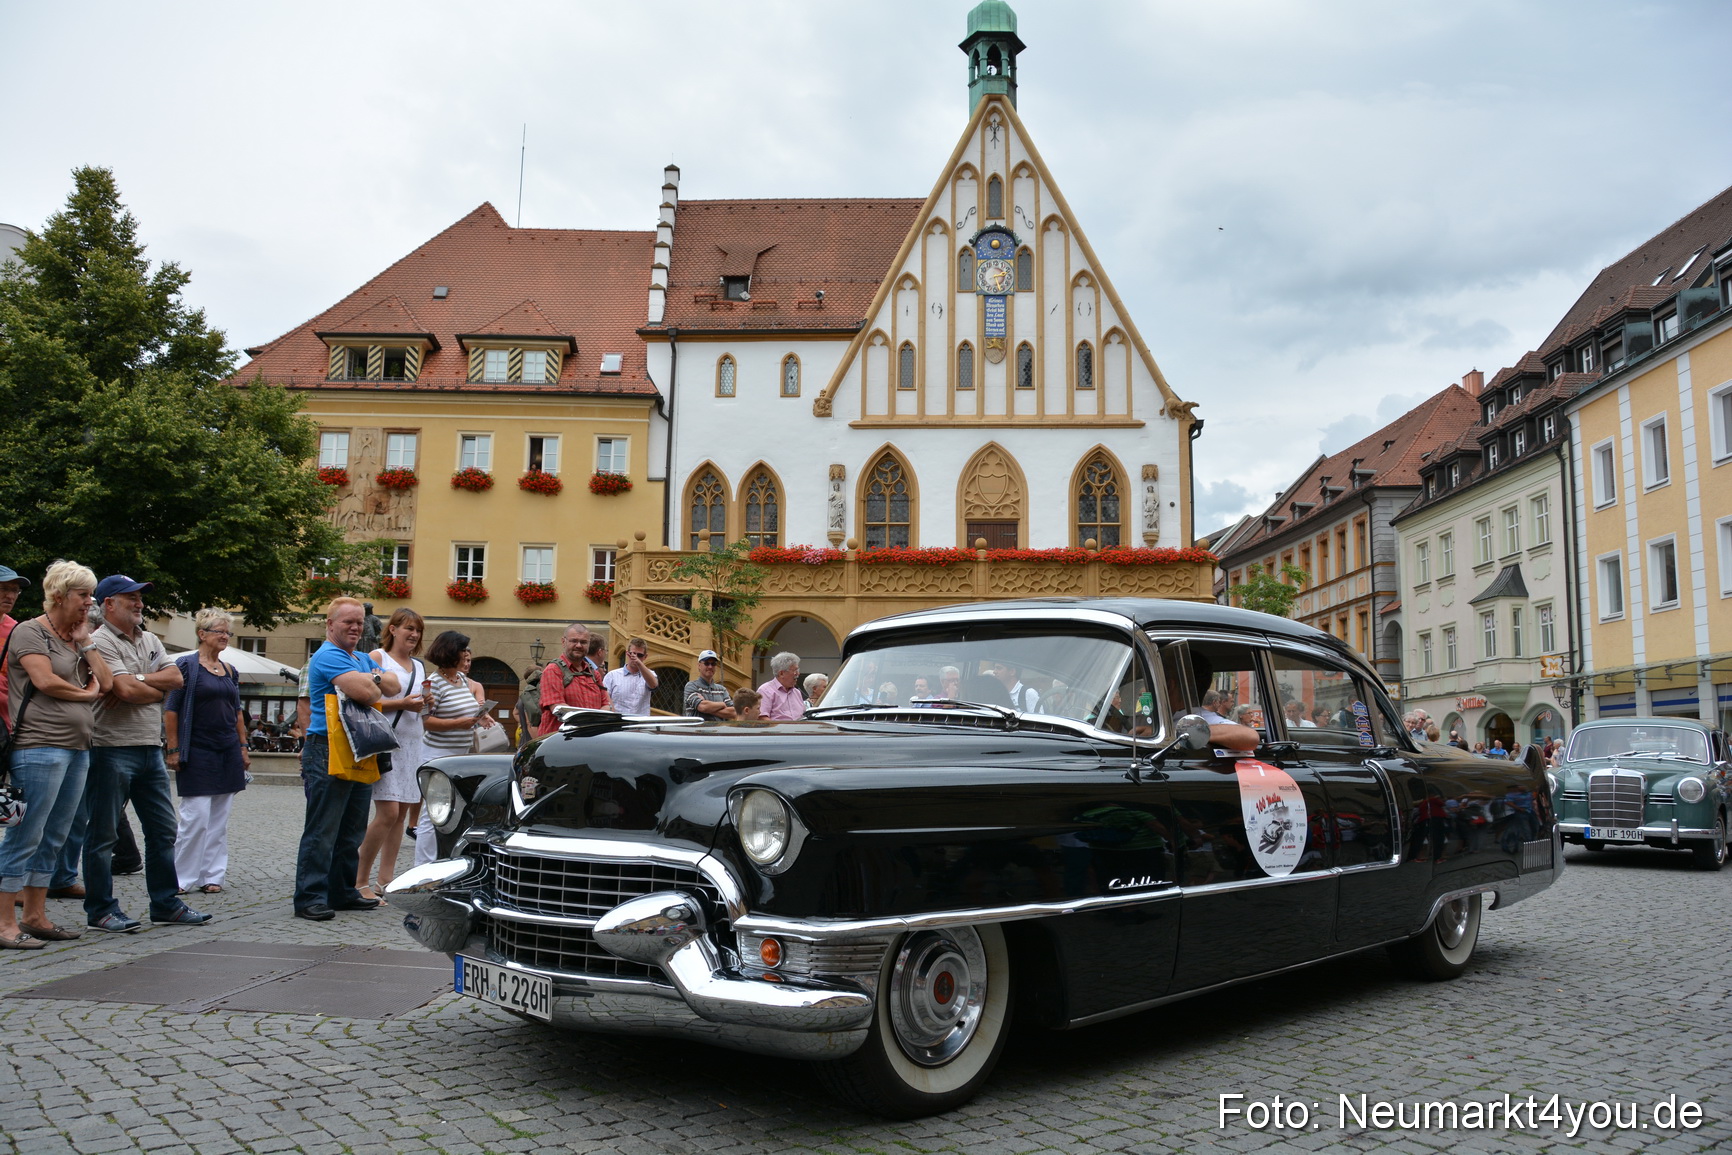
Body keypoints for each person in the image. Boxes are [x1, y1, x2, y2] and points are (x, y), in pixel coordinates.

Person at [83, 576, 208, 933]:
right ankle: (101, 910)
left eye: (140, 598)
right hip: (109, 748)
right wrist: (145, 683)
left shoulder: (150, 638)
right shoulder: (98, 641)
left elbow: (176, 680)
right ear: (108, 604)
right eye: (131, 598)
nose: (139, 604)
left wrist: (137, 682)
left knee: (163, 830)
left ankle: (165, 903)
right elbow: (121, 688)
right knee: (103, 834)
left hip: (149, 749)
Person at [0, 561, 113, 948]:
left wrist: (86, 642)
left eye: (92, 595)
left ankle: (34, 915)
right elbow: (45, 681)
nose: (90, 602)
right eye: (84, 595)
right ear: (60, 595)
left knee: (56, 837)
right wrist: (86, 694)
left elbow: (109, 681)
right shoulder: (30, 631)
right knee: (25, 835)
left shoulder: (75, 638)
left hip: (77, 748)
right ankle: (4, 924)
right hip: (39, 747)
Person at [292, 597, 400, 922]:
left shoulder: (360, 657)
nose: (355, 627)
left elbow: (393, 685)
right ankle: (309, 897)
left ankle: (341, 891)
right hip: (327, 746)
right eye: (347, 622)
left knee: (351, 828)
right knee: (323, 828)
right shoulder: (328, 655)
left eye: (359, 622)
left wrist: (373, 678)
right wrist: (373, 678)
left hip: (357, 747)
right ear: (330, 625)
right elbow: (367, 694)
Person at [163, 608, 251, 901]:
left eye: (228, 632)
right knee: (195, 817)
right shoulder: (185, 665)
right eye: (220, 631)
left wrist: (242, 746)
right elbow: (171, 710)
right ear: (202, 634)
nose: (225, 636)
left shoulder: (230, 671)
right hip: (197, 749)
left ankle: (212, 875)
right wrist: (173, 748)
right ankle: (181, 876)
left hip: (227, 749)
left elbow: (237, 711)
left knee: (219, 819)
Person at [356, 609, 427, 903]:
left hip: (412, 745)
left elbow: (419, 707)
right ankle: (359, 879)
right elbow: (366, 703)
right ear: (393, 629)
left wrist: (426, 704)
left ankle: (386, 879)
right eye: (408, 628)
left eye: (418, 630)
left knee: (400, 818)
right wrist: (402, 704)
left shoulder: (420, 666)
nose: (413, 634)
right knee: (388, 814)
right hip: (386, 744)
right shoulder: (376, 659)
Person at [537, 624, 609, 735]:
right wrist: (592, 721)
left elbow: (606, 704)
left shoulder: (594, 673)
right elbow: (558, 708)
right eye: (574, 641)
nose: (579, 645)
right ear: (563, 641)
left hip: (590, 739)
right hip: (560, 741)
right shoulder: (553, 670)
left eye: (584, 642)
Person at [603, 637, 658, 716]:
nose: (636, 658)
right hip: (618, 723)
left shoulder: (649, 674)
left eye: (640, 655)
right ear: (627, 654)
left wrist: (639, 664)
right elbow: (604, 700)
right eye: (633, 654)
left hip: (639, 725)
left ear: (645, 657)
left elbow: (653, 685)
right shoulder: (612, 676)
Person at [0, 563, 25, 731]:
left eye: (15, 590)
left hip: (7, 727)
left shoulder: (18, 630)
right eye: (4, 588)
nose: (10, 595)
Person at [683, 650, 734, 721]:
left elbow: (733, 712)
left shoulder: (722, 690)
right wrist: (722, 704)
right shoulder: (691, 686)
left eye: (713, 664)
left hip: (719, 731)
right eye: (706, 663)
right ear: (699, 665)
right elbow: (702, 707)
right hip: (697, 730)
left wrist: (707, 706)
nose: (710, 667)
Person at [757, 652, 806, 721]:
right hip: (777, 731)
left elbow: (803, 716)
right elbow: (762, 718)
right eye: (795, 670)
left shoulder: (797, 692)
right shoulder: (765, 690)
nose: (798, 674)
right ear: (781, 673)